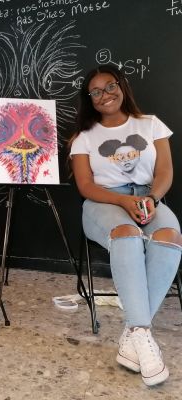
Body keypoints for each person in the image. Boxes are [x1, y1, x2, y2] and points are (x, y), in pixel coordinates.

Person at [69, 64, 182, 386]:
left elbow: (164, 172)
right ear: (89, 99)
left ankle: (134, 334)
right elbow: (85, 186)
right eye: (95, 91)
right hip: (104, 202)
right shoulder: (84, 138)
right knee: (127, 234)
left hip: (149, 196)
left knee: (170, 236)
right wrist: (122, 201)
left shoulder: (150, 125)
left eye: (110, 86)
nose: (104, 95)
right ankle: (143, 339)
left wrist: (152, 199)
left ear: (122, 86)